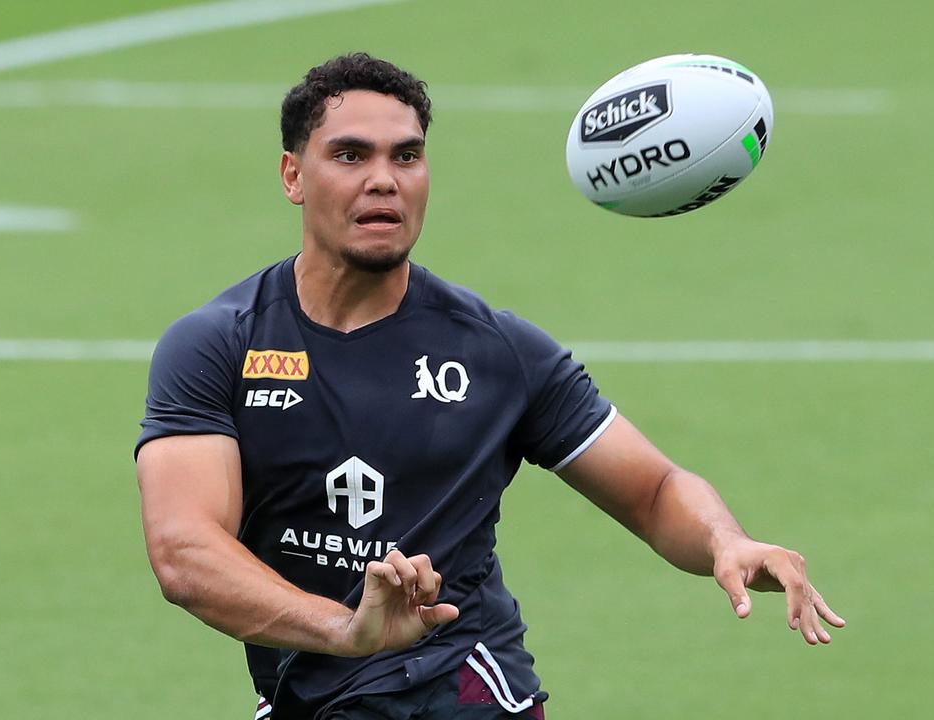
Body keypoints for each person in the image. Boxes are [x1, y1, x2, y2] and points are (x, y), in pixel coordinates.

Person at [134, 52, 843, 720]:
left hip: (462, 689)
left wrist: (725, 541)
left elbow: (653, 490)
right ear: (293, 175)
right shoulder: (220, 343)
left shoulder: (496, 351)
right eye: (351, 155)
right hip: (309, 692)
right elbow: (185, 551)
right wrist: (346, 630)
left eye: (406, 156)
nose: (384, 179)